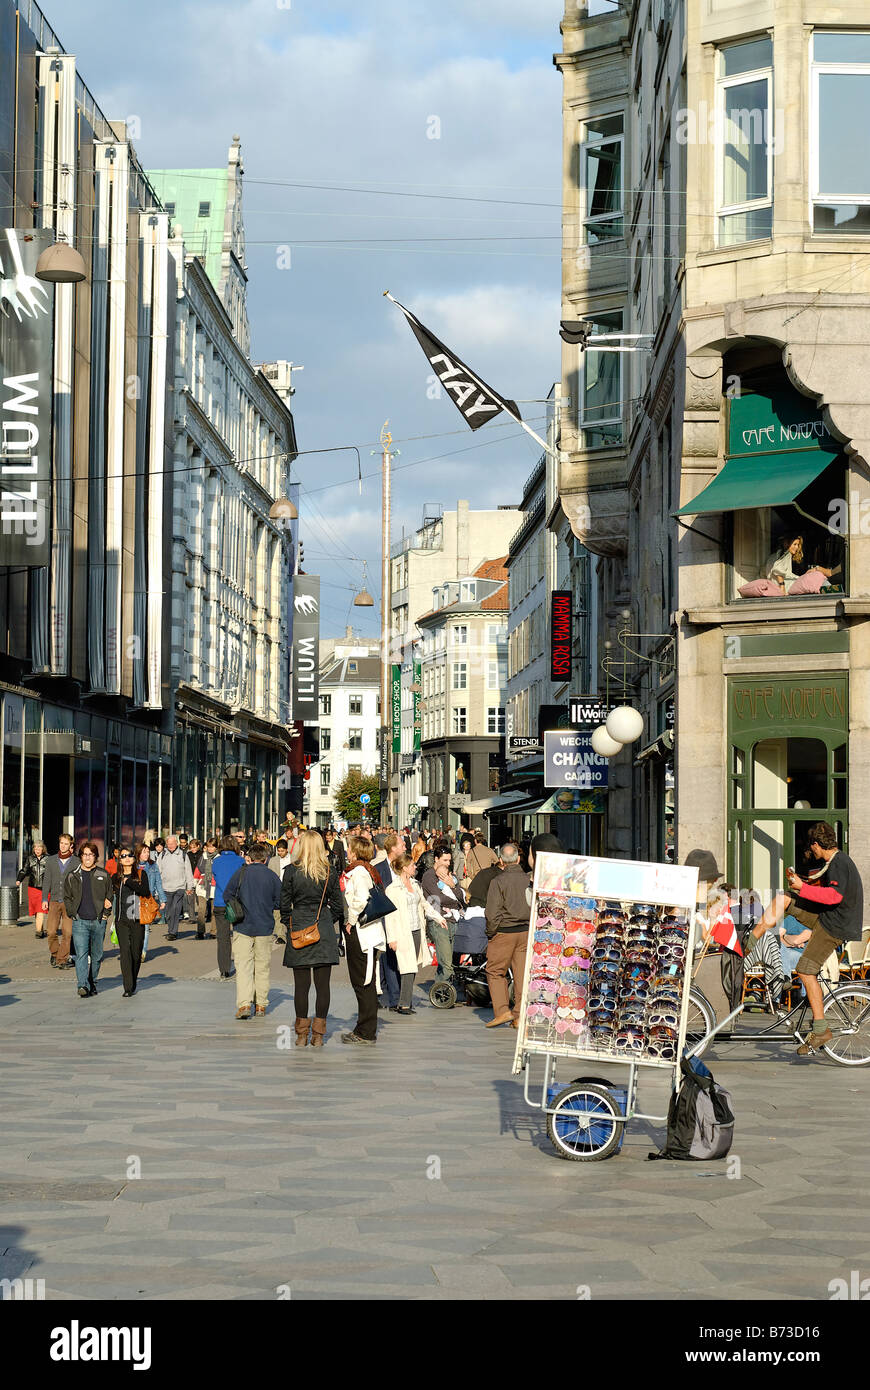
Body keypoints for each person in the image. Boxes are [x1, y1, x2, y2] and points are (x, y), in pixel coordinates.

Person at [749, 821, 864, 1054]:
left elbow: (833, 896)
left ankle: (821, 1029)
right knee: (784, 899)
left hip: (834, 925)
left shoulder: (839, 863)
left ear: (816, 843)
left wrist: (802, 886)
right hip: (825, 918)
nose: (812, 853)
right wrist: (800, 885)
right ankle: (751, 941)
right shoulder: (835, 862)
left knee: (806, 969)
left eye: (812, 848)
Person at [280, 828, 344, 1045]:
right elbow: (337, 906)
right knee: (322, 985)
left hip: (298, 925)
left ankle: (300, 1034)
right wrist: (326, 921)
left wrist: (291, 922)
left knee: (301, 985)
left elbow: (283, 905)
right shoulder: (329, 872)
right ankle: (318, 1033)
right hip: (322, 927)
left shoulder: (290, 871)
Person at [223, 843, 281, 1021]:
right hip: (264, 927)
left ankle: (245, 1004)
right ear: (265, 858)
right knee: (262, 967)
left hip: (243, 926)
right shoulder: (272, 876)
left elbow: (227, 895)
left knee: (243, 966)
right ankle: (261, 1004)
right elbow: (279, 902)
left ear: (250, 857)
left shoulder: (241, 873)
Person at [484, 841, 533, 1028]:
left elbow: (492, 913)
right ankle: (519, 1016)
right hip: (525, 931)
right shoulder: (528, 880)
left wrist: (491, 932)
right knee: (521, 974)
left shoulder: (498, 881)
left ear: (501, 861)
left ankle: (503, 1010)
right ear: (519, 859)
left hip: (504, 931)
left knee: (495, 971)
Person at [341, 836, 384, 1045]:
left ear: (355, 851)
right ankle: (364, 1027)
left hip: (362, 933)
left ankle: (366, 1031)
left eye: (349, 848)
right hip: (370, 933)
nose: (347, 852)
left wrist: (350, 921)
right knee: (364, 981)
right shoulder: (368, 870)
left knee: (363, 982)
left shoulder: (358, 872)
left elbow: (360, 898)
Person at [63, 843, 113, 998]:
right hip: (80, 921)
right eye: (85, 854)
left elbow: (110, 896)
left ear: (96, 857)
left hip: (98, 921)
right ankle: (82, 985)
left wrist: (105, 914)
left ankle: (92, 981)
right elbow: (67, 896)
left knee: (97, 955)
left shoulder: (103, 874)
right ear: (80, 857)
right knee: (81, 954)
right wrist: (73, 913)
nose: (87, 857)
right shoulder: (72, 875)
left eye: (91, 854)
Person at [384, 855, 430, 1015]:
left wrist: (438, 918)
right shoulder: (393, 889)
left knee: (411, 967)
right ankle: (403, 1003)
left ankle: (404, 1001)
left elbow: (424, 903)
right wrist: (391, 938)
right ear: (404, 868)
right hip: (402, 931)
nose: (415, 867)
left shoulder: (416, 885)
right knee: (407, 966)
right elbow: (389, 915)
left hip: (416, 929)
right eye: (412, 865)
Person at [420, 841, 465, 989]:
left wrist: (452, 886)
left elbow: (462, 896)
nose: (447, 863)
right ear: (436, 859)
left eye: (449, 860)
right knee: (446, 960)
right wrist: (456, 901)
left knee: (449, 958)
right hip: (438, 921)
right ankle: (446, 991)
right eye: (445, 860)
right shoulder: (429, 876)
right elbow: (437, 899)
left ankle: (440, 989)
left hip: (453, 920)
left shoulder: (450, 875)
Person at [113, 848, 151, 997]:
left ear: (134, 859)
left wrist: (128, 881)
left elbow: (145, 891)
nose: (127, 858)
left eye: (129, 855)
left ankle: (132, 980)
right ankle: (127, 987)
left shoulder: (141, 874)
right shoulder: (115, 877)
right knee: (125, 953)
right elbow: (108, 894)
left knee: (136, 954)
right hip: (121, 920)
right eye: (123, 856)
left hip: (137, 919)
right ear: (120, 860)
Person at [42, 834, 80, 970]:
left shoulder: (76, 862)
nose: (62, 846)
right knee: (51, 931)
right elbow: (46, 881)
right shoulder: (51, 860)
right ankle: (55, 953)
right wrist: (44, 899)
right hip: (54, 901)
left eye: (65, 844)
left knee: (67, 932)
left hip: (70, 902)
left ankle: (62, 959)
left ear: (71, 846)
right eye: (61, 843)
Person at [211, 835, 245, 980]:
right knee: (240, 935)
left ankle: (224, 969)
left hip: (220, 902)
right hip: (236, 902)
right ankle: (242, 964)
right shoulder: (241, 861)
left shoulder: (216, 861)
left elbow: (217, 878)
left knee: (223, 937)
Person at [764, 534, 836, 594]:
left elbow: (783, 572)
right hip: (786, 586)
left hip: (781, 584)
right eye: (794, 544)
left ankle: (830, 588)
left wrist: (799, 577)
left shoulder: (777, 554)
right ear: (786, 544)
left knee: (812, 578)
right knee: (816, 576)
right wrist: (782, 586)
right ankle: (832, 589)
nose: (797, 547)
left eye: (798, 545)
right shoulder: (785, 554)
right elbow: (777, 570)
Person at [157, 835, 194, 941]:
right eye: (169, 843)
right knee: (168, 912)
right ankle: (171, 928)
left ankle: (173, 932)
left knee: (176, 909)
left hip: (179, 887)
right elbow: (157, 871)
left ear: (176, 844)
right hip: (166, 888)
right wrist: (156, 887)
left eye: (173, 843)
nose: (171, 845)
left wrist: (189, 886)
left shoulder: (183, 855)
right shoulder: (162, 855)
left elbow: (188, 871)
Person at [136, 842, 165, 963]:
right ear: (138, 853)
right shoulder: (132, 865)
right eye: (144, 852)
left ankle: (142, 952)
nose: (147, 854)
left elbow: (158, 882)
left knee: (146, 928)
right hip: (134, 900)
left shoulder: (153, 865)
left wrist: (162, 899)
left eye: (148, 852)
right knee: (135, 927)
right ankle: (134, 950)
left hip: (148, 899)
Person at [17, 840, 48, 938]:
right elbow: (24, 870)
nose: (37, 849)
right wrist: (19, 880)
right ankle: (41, 929)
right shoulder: (30, 859)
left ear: (43, 849)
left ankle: (38, 932)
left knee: (40, 909)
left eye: (39, 847)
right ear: (33, 849)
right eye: (35, 847)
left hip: (45, 888)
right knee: (36, 910)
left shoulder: (49, 859)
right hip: (33, 888)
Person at [268, 838, 291, 944]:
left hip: (290, 889)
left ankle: (292, 932)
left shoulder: (293, 859)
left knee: (290, 911)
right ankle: (281, 935)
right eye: (278, 850)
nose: (280, 853)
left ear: (287, 850)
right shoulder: (273, 861)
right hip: (278, 889)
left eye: (282, 850)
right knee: (277, 913)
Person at [194, 837, 218, 940]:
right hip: (202, 886)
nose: (210, 849)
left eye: (212, 846)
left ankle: (213, 932)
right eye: (209, 846)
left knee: (214, 911)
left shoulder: (218, 858)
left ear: (216, 847)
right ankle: (200, 931)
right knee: (201, 910)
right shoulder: (202, 857)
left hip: (215, 886)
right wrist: (194, 881)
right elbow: (197, 870)